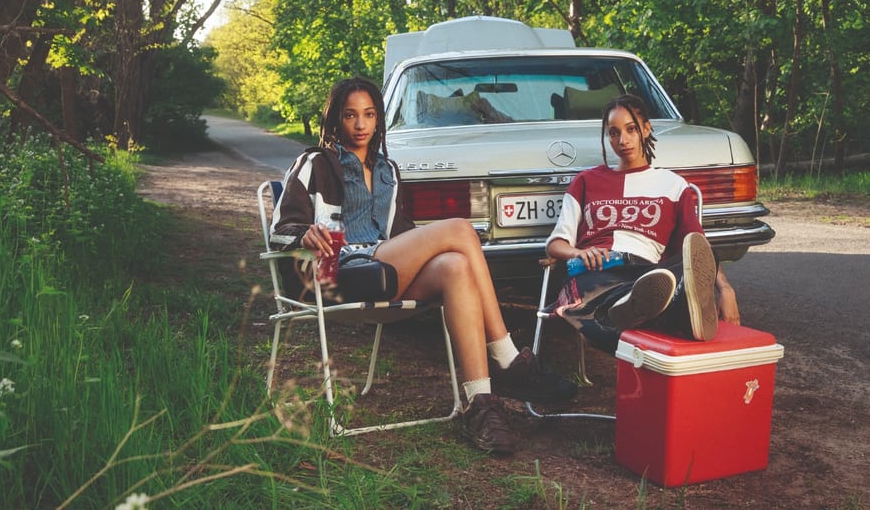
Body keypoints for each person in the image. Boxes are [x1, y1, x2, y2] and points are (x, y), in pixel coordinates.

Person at [268, 76, 577, 454]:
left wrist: (422, 248)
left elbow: (403, 236)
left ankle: (479, 404)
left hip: (384, 268)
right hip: (339, 268)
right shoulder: (315, 162)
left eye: (368, 115)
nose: (361, 125)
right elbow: (280, 228)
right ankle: (507, 355)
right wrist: (304, 235)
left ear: (379, 120)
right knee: (462, 229)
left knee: (455, 266)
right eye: (350, 116)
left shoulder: (388, 172)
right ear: (336, 120)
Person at [544, 94, 740, 353]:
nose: (622, 141)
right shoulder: (586, 181)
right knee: (599, 292)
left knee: (675, 274)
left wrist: (725, 289)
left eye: (631, 129)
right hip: (598, 269)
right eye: (614, 133)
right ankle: (662, 312)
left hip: (647, 273)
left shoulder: (673, 185)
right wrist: (580, 252)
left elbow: (698, 249)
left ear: (646, 129)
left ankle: (638, 306)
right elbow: (555, 243)